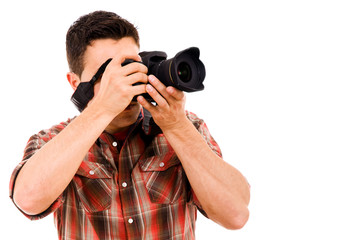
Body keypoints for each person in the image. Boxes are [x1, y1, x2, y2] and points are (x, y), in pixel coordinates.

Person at [9, 10, 250, 239]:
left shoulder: (186, 128)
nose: (124, 83)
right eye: (108, 74)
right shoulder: (52, 141)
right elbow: (27, 200)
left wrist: (177, 127)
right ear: (75, 82)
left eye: (130, 68)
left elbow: (236, 214)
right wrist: (102, 108)